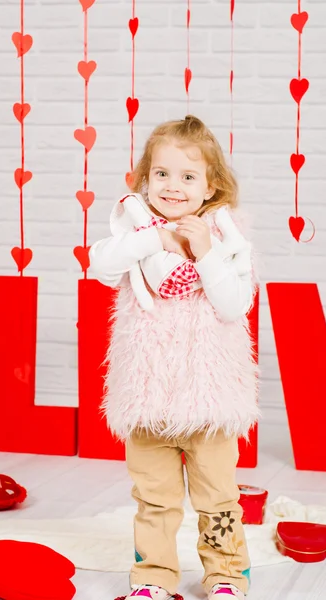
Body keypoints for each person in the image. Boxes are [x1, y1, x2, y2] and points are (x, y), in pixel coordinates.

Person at [89, 114, 260, 600]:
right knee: (154, 498)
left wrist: (203, 251)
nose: (172, 185)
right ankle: (153, 577)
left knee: (218, 496)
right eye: (161, 174)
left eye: (188, 177)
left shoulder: (227, 241)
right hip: (149, 393)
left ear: (210, 188)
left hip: (208, 398)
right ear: (145, 180)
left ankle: (227, 575)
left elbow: (232, 306)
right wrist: (155, 239)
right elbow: (99, 263)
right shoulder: (135, 233)